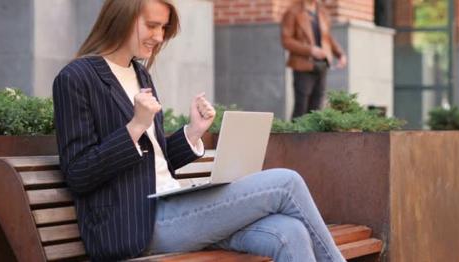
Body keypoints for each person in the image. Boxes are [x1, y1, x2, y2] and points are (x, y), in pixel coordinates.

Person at [52, 0, 346, 261]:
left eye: (163, 28)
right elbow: (78, 173)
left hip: (175, 207)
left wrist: (192, 133)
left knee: (290, 231)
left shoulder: (139, 72)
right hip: (136, 222)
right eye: (151, 26)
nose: (159, 36)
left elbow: (154, 161)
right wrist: (136, 125)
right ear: (121, 18)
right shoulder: (76, 78)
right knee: (286, 182)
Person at [281, 0, 347, 120]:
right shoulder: (292, 12)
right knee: (301, 109)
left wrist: (340, 54)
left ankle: (312, 138)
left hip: (322, 66)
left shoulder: (322, 12)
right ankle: (295, 138)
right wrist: (310, 50)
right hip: (303, 66)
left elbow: (327, 37)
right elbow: (286, 41)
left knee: (317, 110)